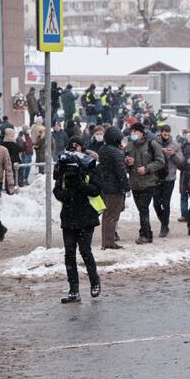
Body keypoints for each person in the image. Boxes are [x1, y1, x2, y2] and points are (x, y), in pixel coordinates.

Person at [53, 143, 104, 303]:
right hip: (68, 217)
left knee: (85, 251)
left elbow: (96, 190)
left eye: (77, 146)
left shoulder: (90, 165)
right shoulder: (63, 167)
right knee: (69, 253)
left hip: (86, 216)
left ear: (83, 149)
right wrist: (67, 192)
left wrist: (81, 183)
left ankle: (94, 281)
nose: (74, 149)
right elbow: (57, 191)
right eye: (71, 147)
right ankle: (73, 290)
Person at [124, 122, 165, 244]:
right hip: (135, 183)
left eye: (136, 131)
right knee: (141, 209)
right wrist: (127, 162)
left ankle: (145, 235)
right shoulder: (129, 146)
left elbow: (160, 161)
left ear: (142, 133)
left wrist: (146, 168)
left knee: (143, 208)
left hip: (149, 182)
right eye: (132, 132)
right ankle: (148, 233)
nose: (133, 134)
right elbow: (126, 164)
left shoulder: (152, 144)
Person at [98, 126, 130, 249]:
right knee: (112, 216)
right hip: (115, 189)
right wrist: (126, 186)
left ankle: (106, 241)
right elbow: (120, 171)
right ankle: (109, 242)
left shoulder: (103, 149)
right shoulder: (116, 152)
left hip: (105, 187)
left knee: (107, 215)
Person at [153, 125, 182, 237]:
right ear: (161, 133)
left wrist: (173, 155)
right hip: (156, 177)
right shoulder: (154, 143)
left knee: (166, 203)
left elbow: (181, 162)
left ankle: (164, 227)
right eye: (165, 133)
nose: (166, 135)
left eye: (168, 133)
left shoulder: (175, 145)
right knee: (156, 203)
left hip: (169, 178)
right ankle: (163, 221)